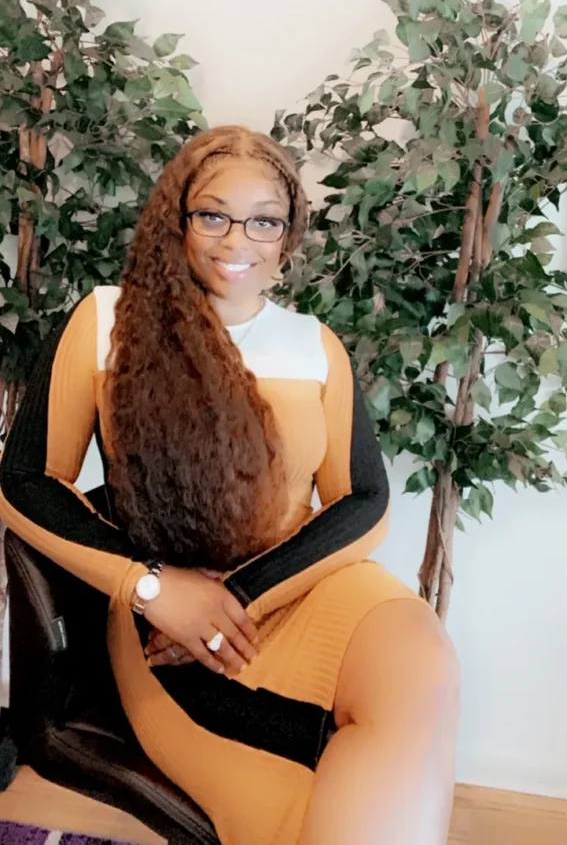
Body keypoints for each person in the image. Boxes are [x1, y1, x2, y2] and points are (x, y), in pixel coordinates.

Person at [0, 125, 459, 845]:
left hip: (300, 592)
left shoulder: (315, 346)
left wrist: (244, 595)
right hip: (170, 623)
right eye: (212, 214)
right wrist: (153, 588)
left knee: (421, 664)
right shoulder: (105, 321)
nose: (233, 240)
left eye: (263, 221)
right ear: (176, 218)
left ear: (287, 235)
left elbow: (363, 502)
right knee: (298, 809)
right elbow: (26, 480)